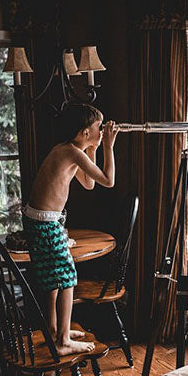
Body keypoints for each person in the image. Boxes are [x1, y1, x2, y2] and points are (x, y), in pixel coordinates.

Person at [22, 104, 118, 356]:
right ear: (86, 132)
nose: (103, 130)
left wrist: (95, 148)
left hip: (39, 220)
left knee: (52, 278)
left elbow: (88, 183)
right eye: (100, 127)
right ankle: (63, 340)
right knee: (67, 277)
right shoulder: (71, 153)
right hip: (46, 222)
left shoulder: (68, 150)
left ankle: (54, 330)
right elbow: (108, 181)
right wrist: (108, 145)